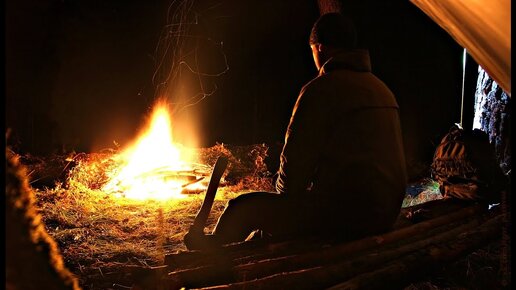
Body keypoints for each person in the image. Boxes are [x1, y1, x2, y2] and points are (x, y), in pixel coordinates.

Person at [185, 13, 408, 250]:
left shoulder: (320, 90)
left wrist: (281, 205)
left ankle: (210, 259)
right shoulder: (382, 89)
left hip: (348, 218)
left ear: (320, 48)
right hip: (386, 212)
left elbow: (293, 174)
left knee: (241, 209)